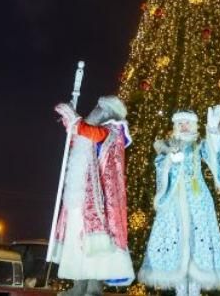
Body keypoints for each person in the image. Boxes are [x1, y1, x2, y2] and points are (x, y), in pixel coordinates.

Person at [138, 106, 220, 296]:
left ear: (193, 125)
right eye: (180, 123)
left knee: (196, 249)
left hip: (198, 203)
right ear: (175, 125)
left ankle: (194, 292)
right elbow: (159, 168)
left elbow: (218, 159)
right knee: (177, 251)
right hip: (172, 205)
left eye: (187, 123)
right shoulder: (167, 145)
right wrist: (170, 160)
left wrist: (213, 132)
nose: (184, 126)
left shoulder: (198, 146)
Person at [51, 96, 135, 296]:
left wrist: (73, 118)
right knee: (77, 243)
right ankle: (78, 287)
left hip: (98, 202)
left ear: (108, 112)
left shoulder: (114, 130)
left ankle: (94, 289)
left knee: (96, 246)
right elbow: (77, 134)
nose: (96, 109)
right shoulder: (91, 127)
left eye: (100, 107)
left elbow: (92, 133)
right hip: (79, 196)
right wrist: (69, 120)